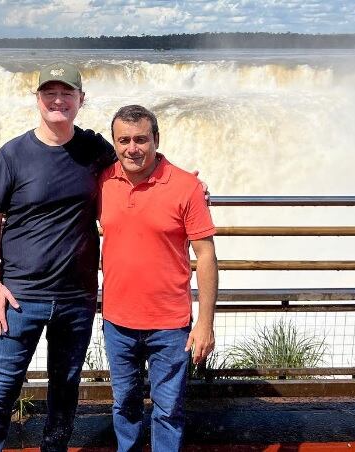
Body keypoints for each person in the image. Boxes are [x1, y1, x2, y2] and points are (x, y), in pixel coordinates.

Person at [0, 62, 116, 451]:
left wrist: (188, 182)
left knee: (65, 387)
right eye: (50, 94)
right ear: (37, 99)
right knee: (2, 386)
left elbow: (139, 161)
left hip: (77, 298)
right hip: (20, 297)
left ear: (80, 100)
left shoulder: (94, 150)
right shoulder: (12, 155)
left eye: (67, 94)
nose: (58, 101)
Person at [99, 105, 218, 452]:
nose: (132, 148)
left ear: (156, 140)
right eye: (124, 140)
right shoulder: (102, 183)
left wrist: (206, 323)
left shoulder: (186, 187)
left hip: (170, 324)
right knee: (125, 406)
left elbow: (206, 256)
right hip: (117, 321)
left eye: (141, 139)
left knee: (168, 411)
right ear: (114, 142)